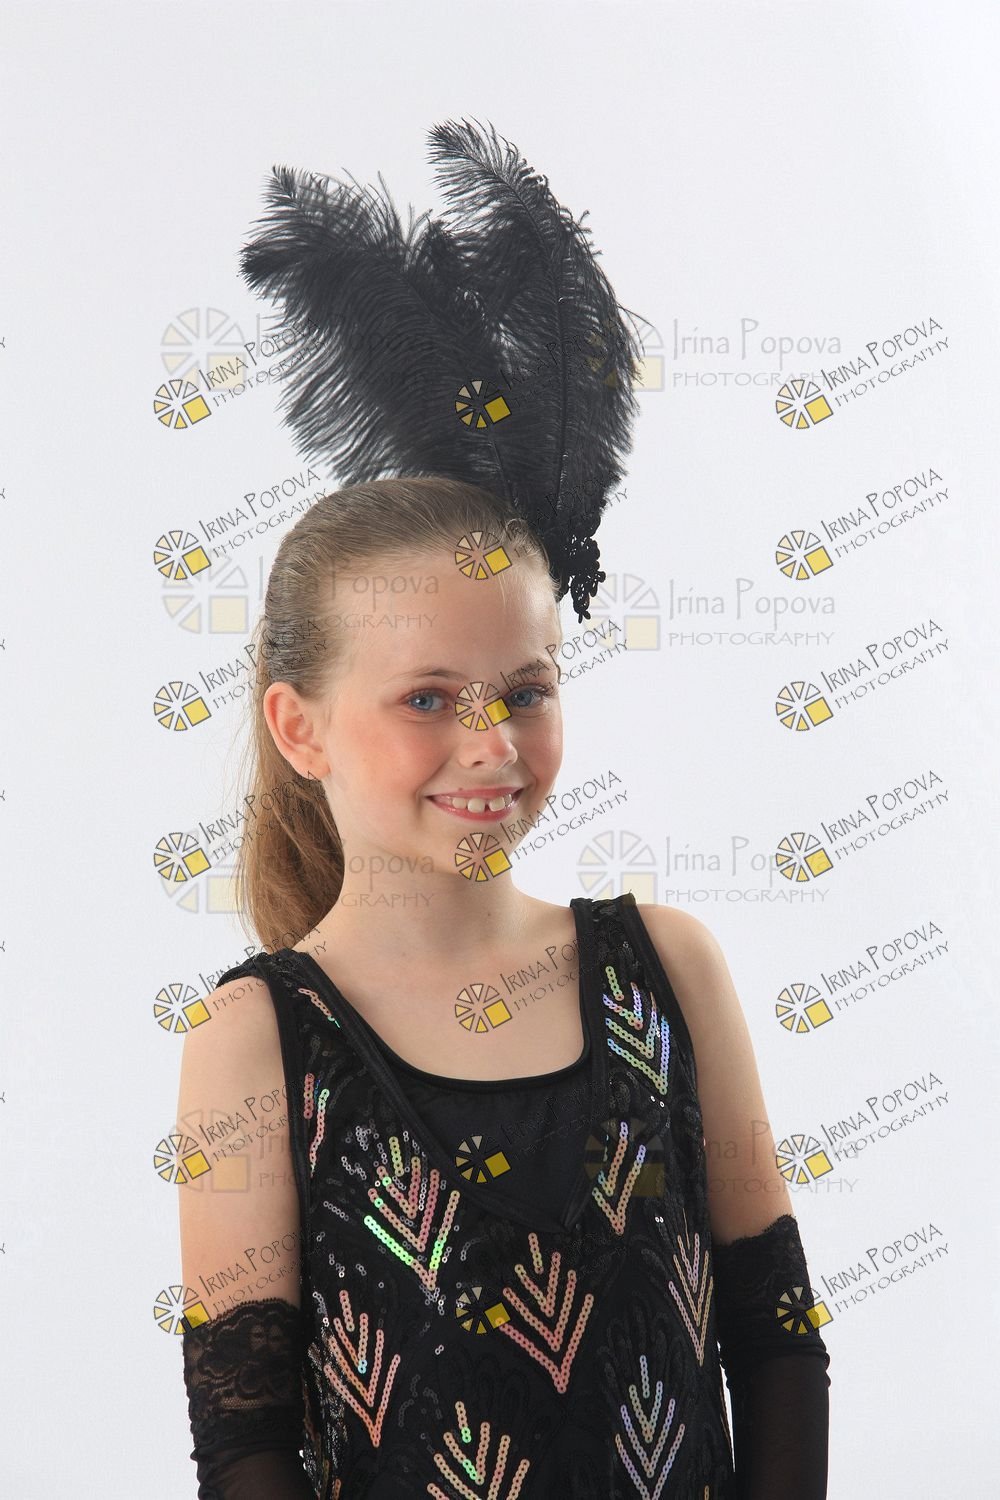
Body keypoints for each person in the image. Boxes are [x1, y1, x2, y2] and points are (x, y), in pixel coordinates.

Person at [177, 120, 830, 1499]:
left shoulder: (665, 969)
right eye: (426, 698)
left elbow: (777, 1340)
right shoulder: (260, 1041)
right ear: (300, 727)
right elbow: (246, 1442)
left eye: (524, 690)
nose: (491, 745)